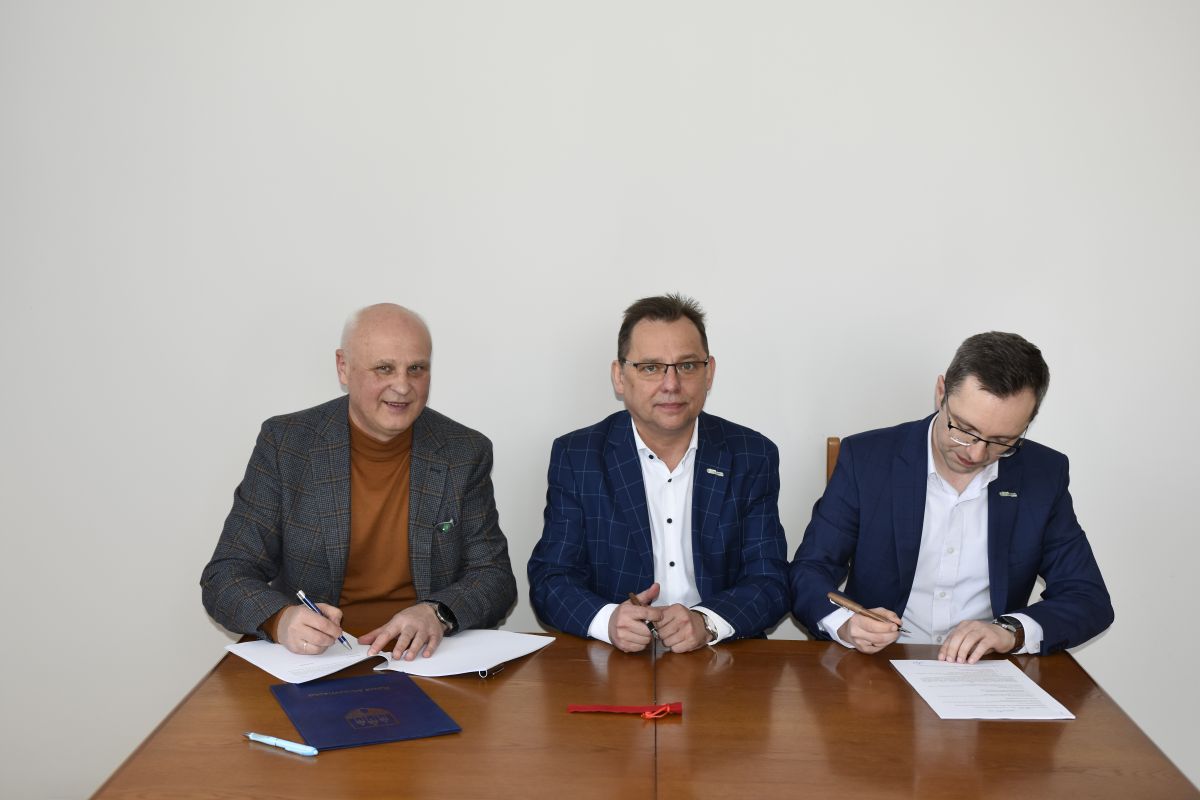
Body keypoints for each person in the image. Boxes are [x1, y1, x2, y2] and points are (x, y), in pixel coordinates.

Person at [201, 303, 517, 661]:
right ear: (343, 367)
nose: (403, 386)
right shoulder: (287, 444)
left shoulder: (464, 451)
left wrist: (438, 613)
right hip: (320, 661)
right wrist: (281, 619)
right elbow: (226, 575)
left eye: (416, 369)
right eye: (384, 368)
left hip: (424, 658)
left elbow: (494, 577)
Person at [790, 331, 1113, 663]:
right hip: (879, 667)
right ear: (941, 392)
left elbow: (1087, 598)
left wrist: (1011, 632)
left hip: (984, 670)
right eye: (964, 429)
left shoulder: (1042, 474)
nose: (976, 453)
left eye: (1002, 441)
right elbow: (810, 570)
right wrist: (846, 625)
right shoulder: (867, 459)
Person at [528, 294, 789, 653]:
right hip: (615, 659)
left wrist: (706, 622)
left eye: (687, 366)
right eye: (651, 367)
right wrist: (608, 621)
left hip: (721, 656)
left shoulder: (751, 455)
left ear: (709, 372)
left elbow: (770, 581)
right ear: (620, 377)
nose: (671, 385)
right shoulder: (578, 456)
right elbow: (551, 578)